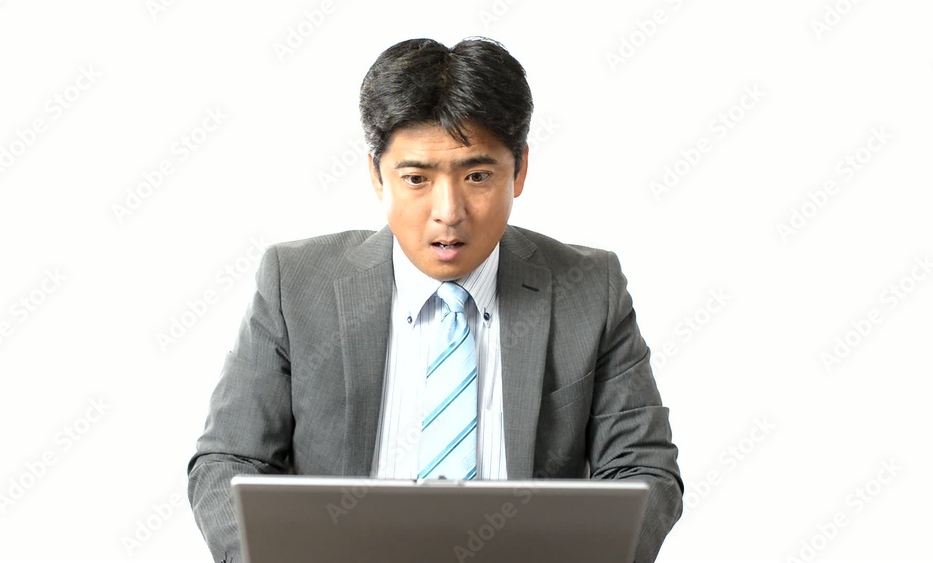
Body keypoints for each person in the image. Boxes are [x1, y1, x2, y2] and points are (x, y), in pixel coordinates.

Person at [187, 37, 683, 563]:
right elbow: (227, 462)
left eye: (477, 176)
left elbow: (644, 470)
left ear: (519, 170)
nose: (448, 211)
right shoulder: (295, 284)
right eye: (417, 178)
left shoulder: (590, 289)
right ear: (377, 174)